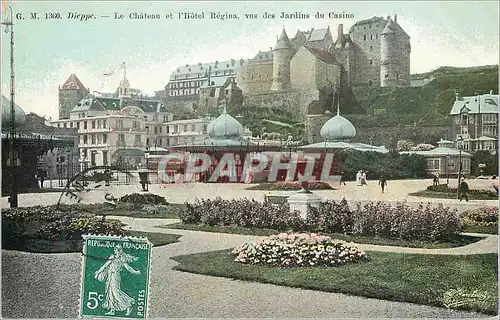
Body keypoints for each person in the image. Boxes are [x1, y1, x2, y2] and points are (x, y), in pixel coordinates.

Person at [94, 245, 141, 316]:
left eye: (116, 250)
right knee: (110, 293)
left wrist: (135, 272)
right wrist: (97, 273)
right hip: (110, 276)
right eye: (114, 250)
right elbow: (105, 265)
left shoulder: (122, 258)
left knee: (116, 292)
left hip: (116, 276)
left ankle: (128, 305)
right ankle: (112, 310)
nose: (115, 251)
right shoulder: (112, 257)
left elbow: (128, 268)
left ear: (119, 251)